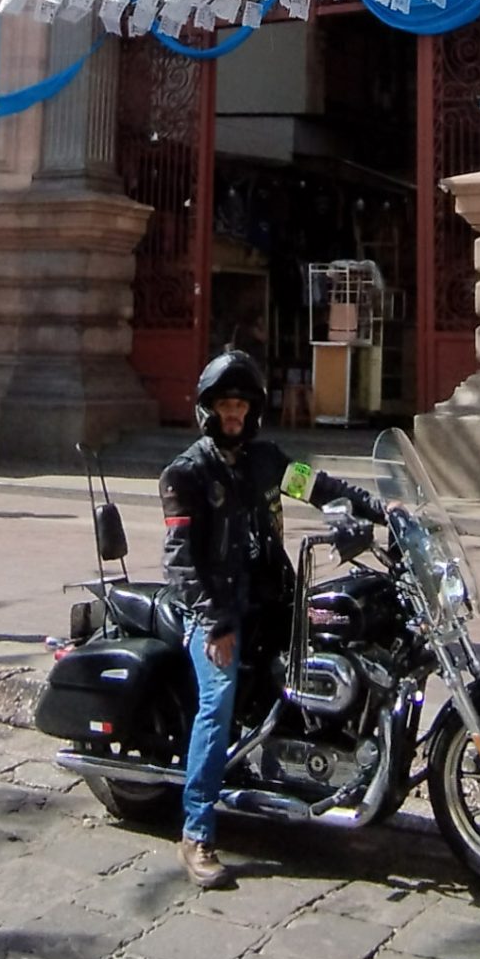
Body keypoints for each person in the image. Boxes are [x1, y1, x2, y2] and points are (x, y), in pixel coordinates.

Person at [159, 346, 381, 892]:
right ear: (207, 410)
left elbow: (319, 485)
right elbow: (180, 561)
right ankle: (197, 831)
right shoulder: (186, 473)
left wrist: (379, 510)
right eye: (224, 406)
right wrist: (215, 622)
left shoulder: (268, 461)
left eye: (240, 405)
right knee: (218, 701)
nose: (232, 415)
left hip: (270, 601)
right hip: (214, 612)